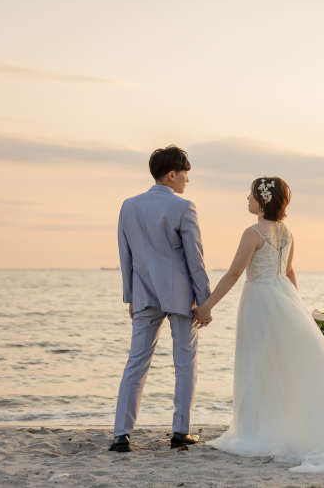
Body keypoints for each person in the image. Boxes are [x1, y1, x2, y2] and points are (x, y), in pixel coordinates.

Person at [193, 177, 324, 472]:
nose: (247, 199)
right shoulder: (287, 232)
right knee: (279, 365)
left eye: (251, 194)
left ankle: (257, 428)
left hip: (260, 302)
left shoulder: (253, 233)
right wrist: (296, 308)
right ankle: (279, 424)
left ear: (263, 199)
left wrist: (207, 306)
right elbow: (288, 272)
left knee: (257, 363)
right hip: (284, 299)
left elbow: (234, 274)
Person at [109, 145, 211, 453]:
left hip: (144, 294)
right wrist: (204, 300)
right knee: (185, 363)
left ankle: (121, 435)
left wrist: (131, 295)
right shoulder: (184, 207)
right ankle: (180, 431)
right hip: (182, 297)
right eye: (185, 174)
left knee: (136, 363)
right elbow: (195, 259)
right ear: (171, 174)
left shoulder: (129, 205)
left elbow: (125, 255)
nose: (187, 180)